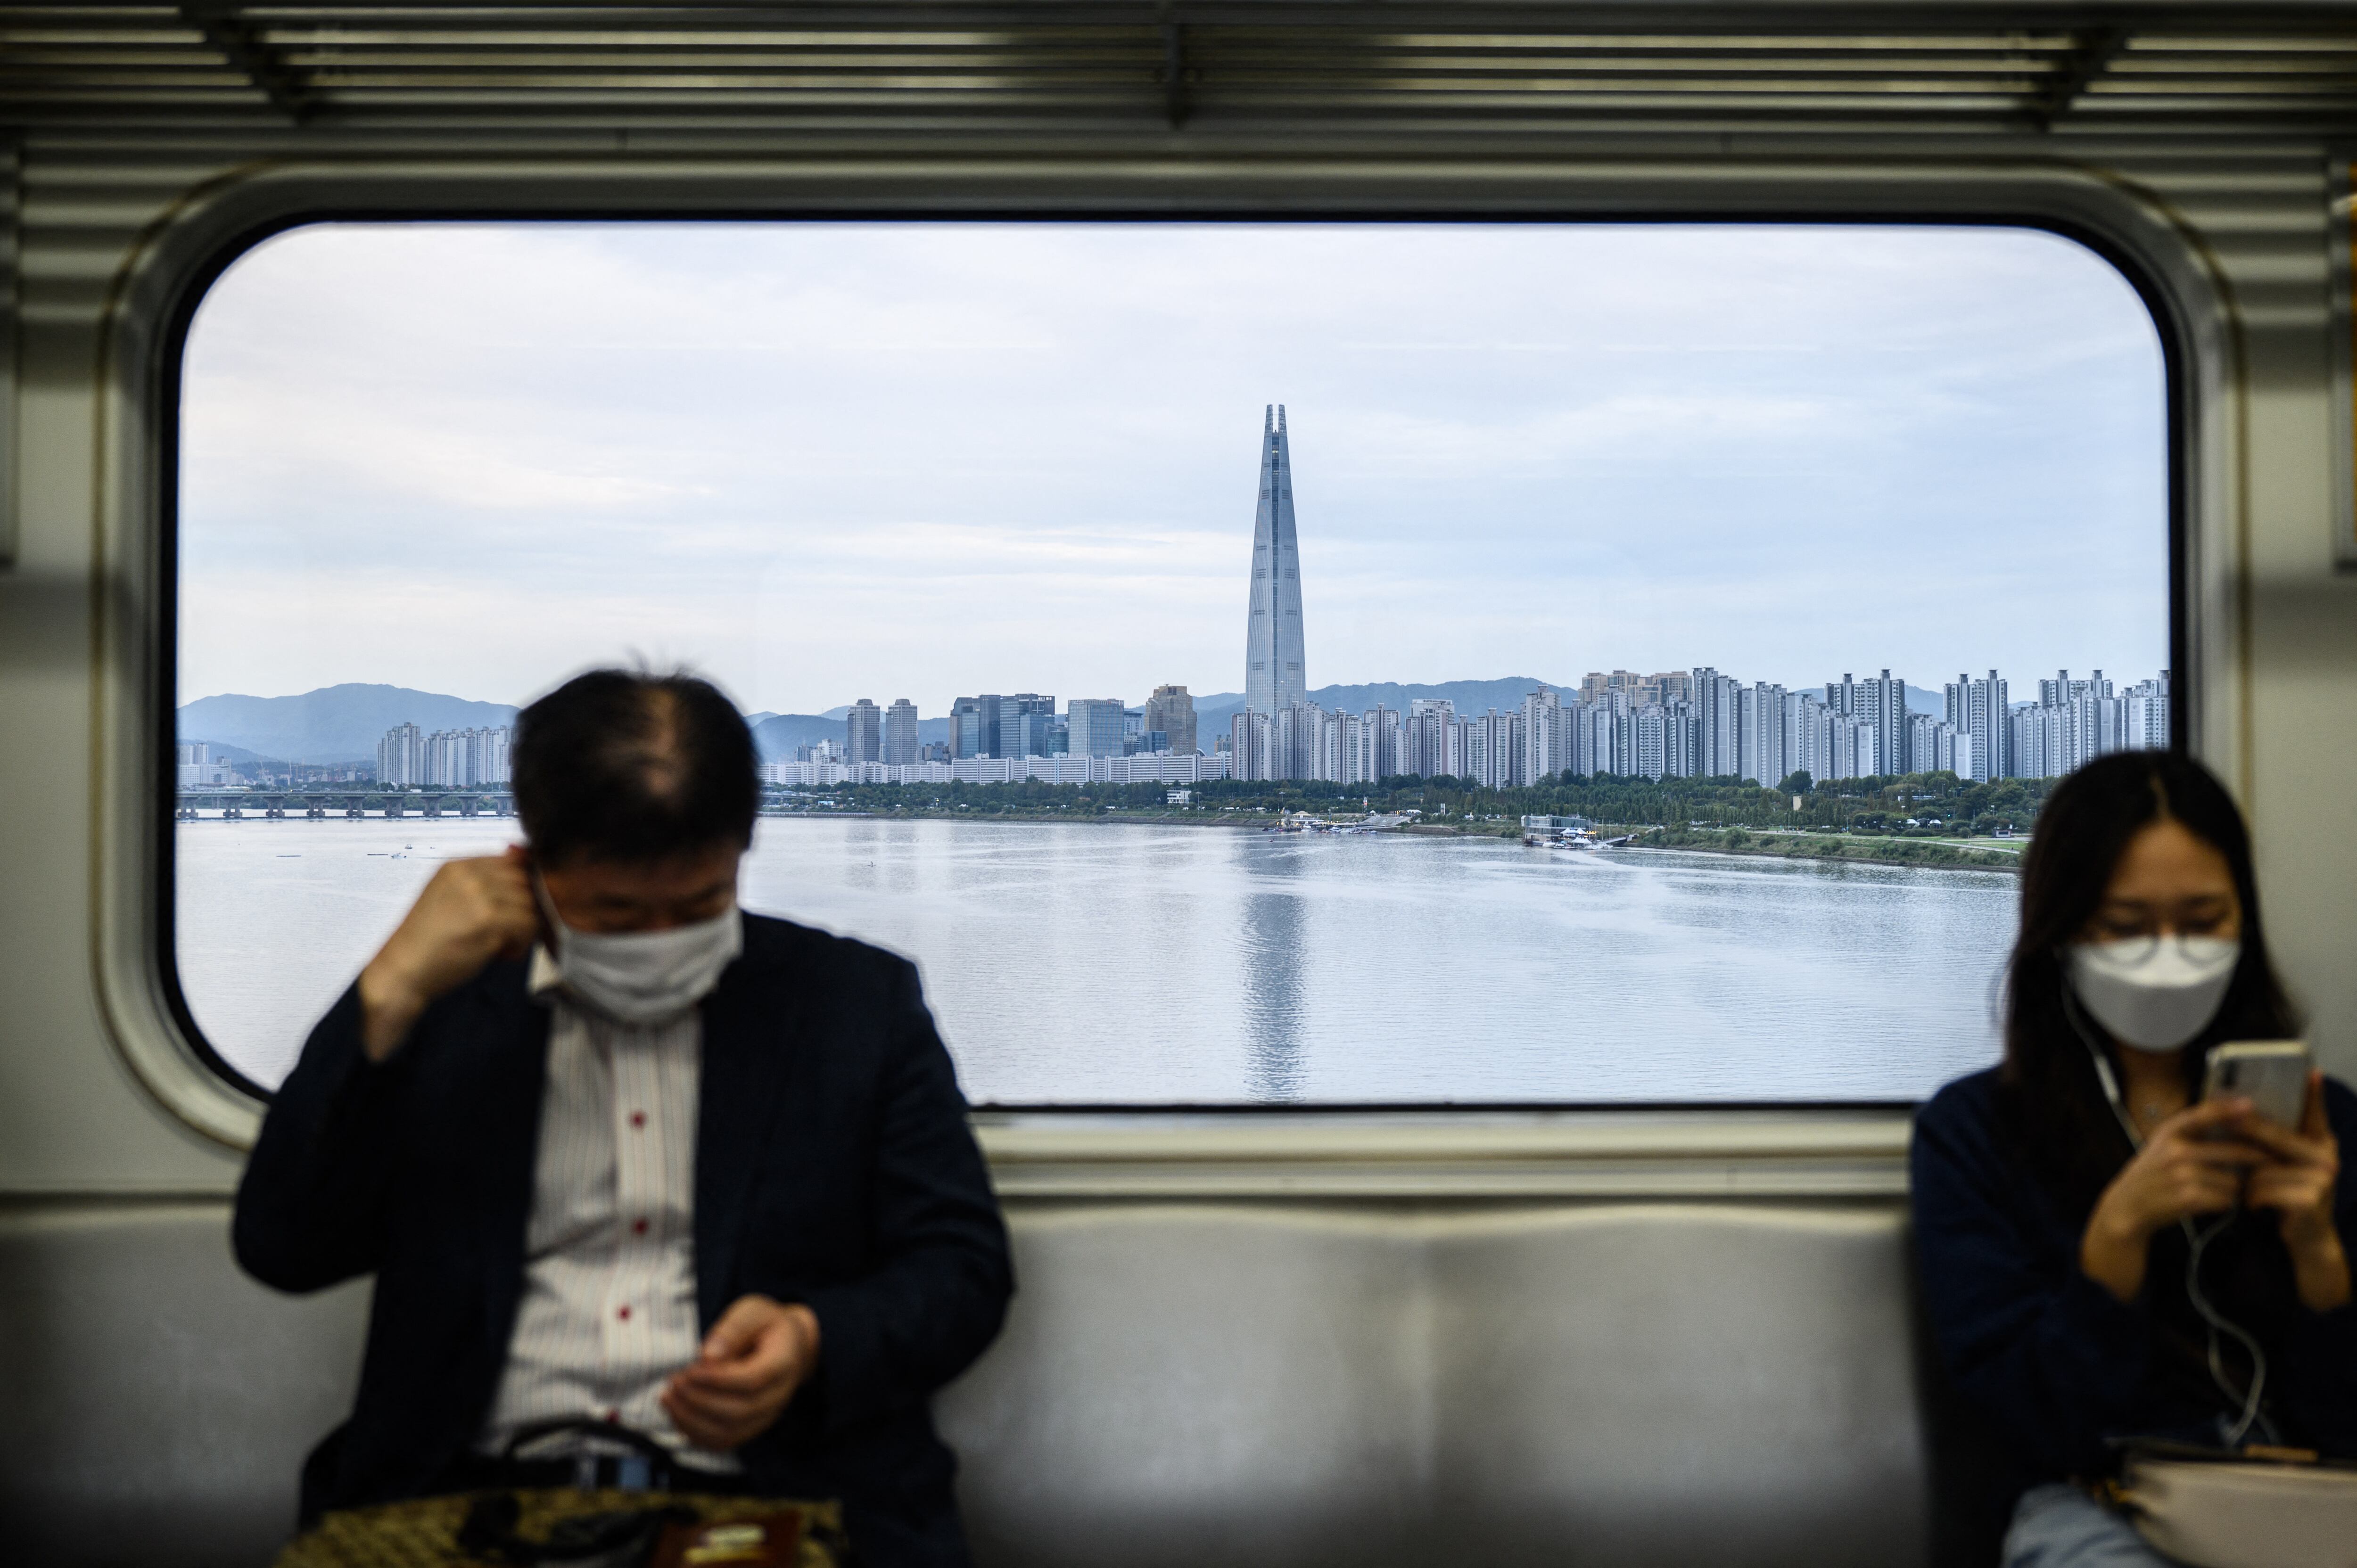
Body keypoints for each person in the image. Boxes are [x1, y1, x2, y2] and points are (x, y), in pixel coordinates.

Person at [234, 670, 1012, 1568]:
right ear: (530, 867)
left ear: (740, 856)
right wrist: (389, 988)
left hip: (771, 1495)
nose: (657, 945)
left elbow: (963, 1266)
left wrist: (812, 1340)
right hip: (467, 1493)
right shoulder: (446, 1007)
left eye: (696, 909)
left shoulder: (853, 1007)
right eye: (615, 914)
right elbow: (282, 1246)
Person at [1912, 751, 2357, 1565]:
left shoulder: (2325, 1128)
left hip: (2311, 1490)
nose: (2167, 955)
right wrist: (2115, 1242)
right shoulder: (1973, 1135)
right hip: (2094, 1499)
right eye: (2125, 926)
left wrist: (2320, 1258)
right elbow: (2028, 1428)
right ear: (2062, 932)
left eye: (2201, 921)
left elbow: (2346, 1420)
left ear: (2243, 925)